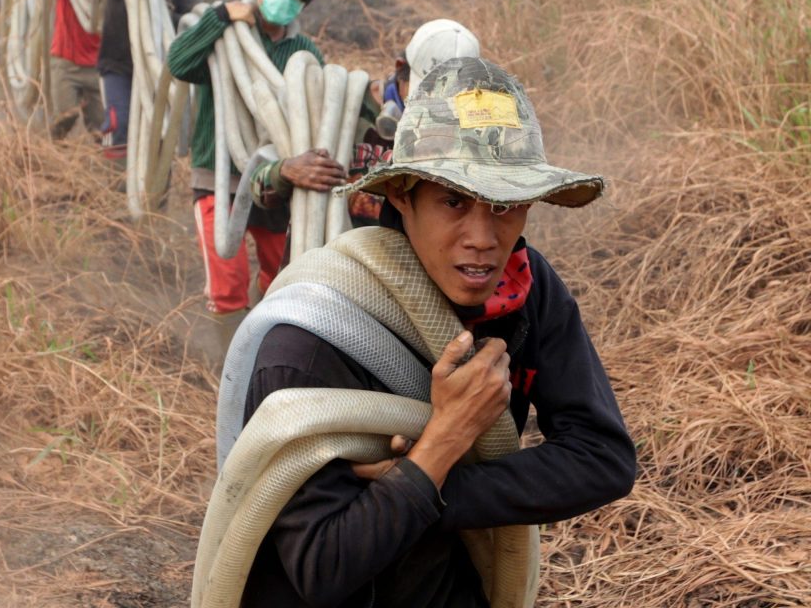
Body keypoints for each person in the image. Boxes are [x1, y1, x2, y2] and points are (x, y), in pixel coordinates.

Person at [227, 57, 636, 606]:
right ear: (402, 195)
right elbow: (322, 568)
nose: (483, 238)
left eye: (506, 205)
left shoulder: (528, 291)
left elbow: (602, 458)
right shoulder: (316, 332)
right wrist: (447, 437)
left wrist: (439, 482)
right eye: (453, 201)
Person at [167, 0, 347, 339]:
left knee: (279, 276)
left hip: (279, 182)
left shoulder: (303, 52)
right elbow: (178, 63)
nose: (288, 1)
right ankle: (225, 376)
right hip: (221, 177)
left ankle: (263, 352)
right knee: (226, 284)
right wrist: (219, 17)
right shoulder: (226, 32)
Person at [95, 0, 201, 161]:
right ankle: (115, 193)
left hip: (158, 71)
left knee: (159, 138)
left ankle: (155, 198)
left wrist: (165, 10)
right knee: (119, 127)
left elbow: (189, 21)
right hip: (119, 65)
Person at [42, 0, 103, 139]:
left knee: (101, 129)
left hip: (95, 63)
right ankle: (55, 159)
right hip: (66, 61)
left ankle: (100, 169)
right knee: (65, 118)